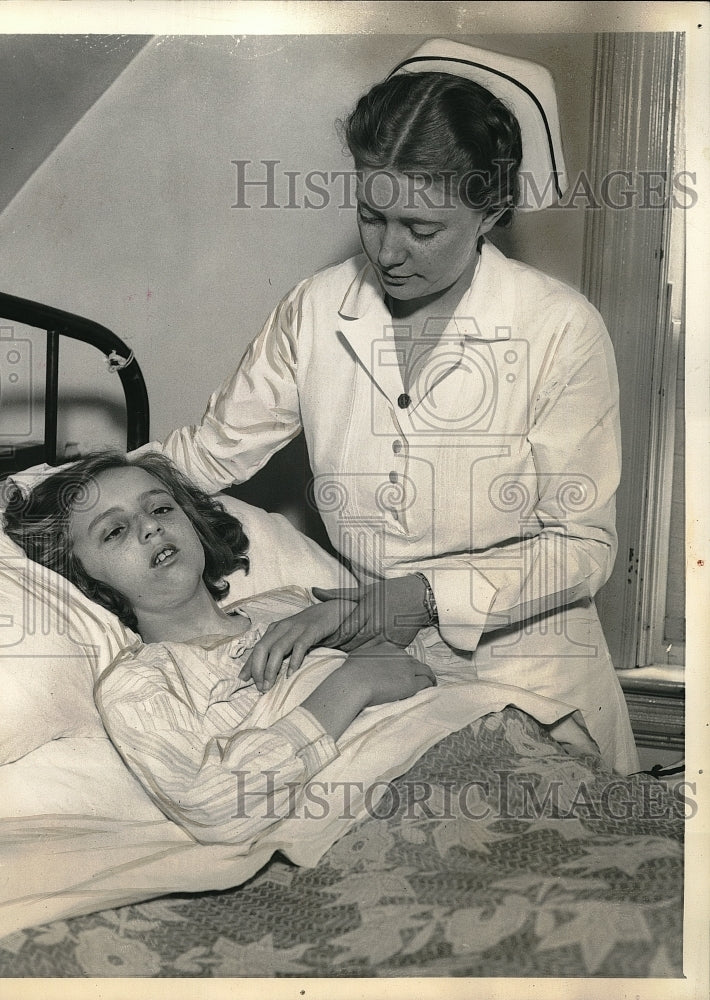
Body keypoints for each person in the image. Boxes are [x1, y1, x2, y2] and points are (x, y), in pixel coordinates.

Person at [161, 39, 639, 775]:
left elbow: (583, 547)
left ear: (490, 211)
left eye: (422, 229)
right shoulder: (318, 309)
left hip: (531, 671)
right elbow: (207, 455)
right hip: (376, 669)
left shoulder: (558, 328)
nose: (388, 251)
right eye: (373, 216)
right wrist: (43, 487)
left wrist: (418, 597)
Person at [2, 451, 437, 845]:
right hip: (383, 808)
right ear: (81, 578)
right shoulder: (140, 683)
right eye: (115, 531)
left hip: (449, 735)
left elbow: (421, 666)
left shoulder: (291, 602)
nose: (150, 526)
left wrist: (343, 614)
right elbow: (214, 808)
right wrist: (350, 684)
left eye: (160, 508)